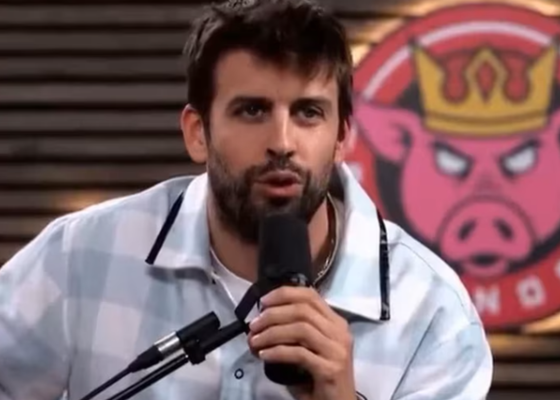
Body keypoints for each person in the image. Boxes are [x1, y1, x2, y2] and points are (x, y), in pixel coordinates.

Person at [0, 0, 493, 399]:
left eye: (308, 113)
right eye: (252, 110)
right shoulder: (79, 257)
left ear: (342, 137)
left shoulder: (431, 313)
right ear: (198, 133)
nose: (282, 142)